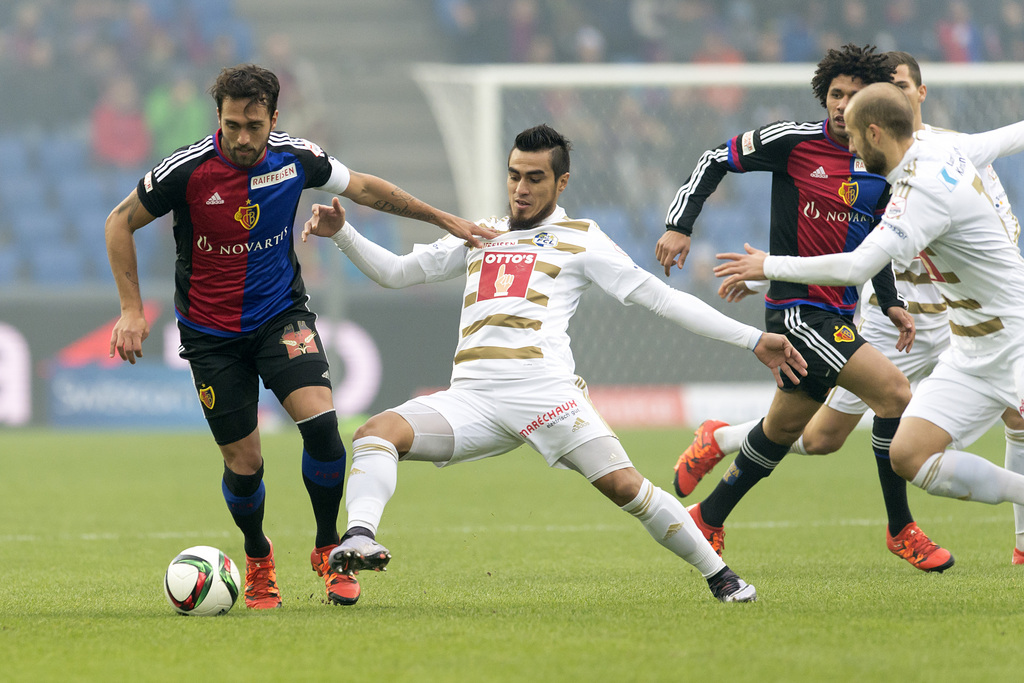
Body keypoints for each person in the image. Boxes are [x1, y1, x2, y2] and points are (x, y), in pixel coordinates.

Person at [302, 124, 809, 603]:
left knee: (624, 486)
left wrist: (751, 339)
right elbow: (394, 273)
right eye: (514, 175)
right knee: (374, 432)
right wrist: (344, 234)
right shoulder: (481, 232)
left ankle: (721, 577)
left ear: (561, 182)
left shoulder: (582, 238)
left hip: (545, 394)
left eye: (535, 178)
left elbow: (661, 298)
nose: (520, 188)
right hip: (471, 399)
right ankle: (361, 537)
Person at [105, 64, 497, 610]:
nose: (243, 137)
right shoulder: (188, 169)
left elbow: (364, 188)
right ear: (217, 116)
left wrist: (442, 219)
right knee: (244, 465)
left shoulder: (295, 157)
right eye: (232, 124)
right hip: (211, 335)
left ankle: (328, 546)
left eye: (254, 125)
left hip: (280, 316)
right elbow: (119, 221)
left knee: (324, 428)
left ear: (273, 118)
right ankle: (258, 555)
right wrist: (130, 309)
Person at [708, 51, 1024, 565]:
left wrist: (768, 266)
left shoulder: (921, 193)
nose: (848, 146)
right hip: (971, 351)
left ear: (875, 132)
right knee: (908, 456)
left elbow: (855, 268)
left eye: (853, 135)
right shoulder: (942, 150)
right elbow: (1013, 135)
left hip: (1016, 338)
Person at [655, 44, 953, 572]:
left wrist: (890, 304)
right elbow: (713, 158)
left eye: (854, 96)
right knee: (894, 393)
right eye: (835, 95)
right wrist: (681, 224)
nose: (842, 106)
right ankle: (901, 528)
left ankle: (709, 512)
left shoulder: (881, 164)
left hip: (841, 313)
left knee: (792, 435)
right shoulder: (792, 141)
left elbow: (874, 245)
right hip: (798, 312)